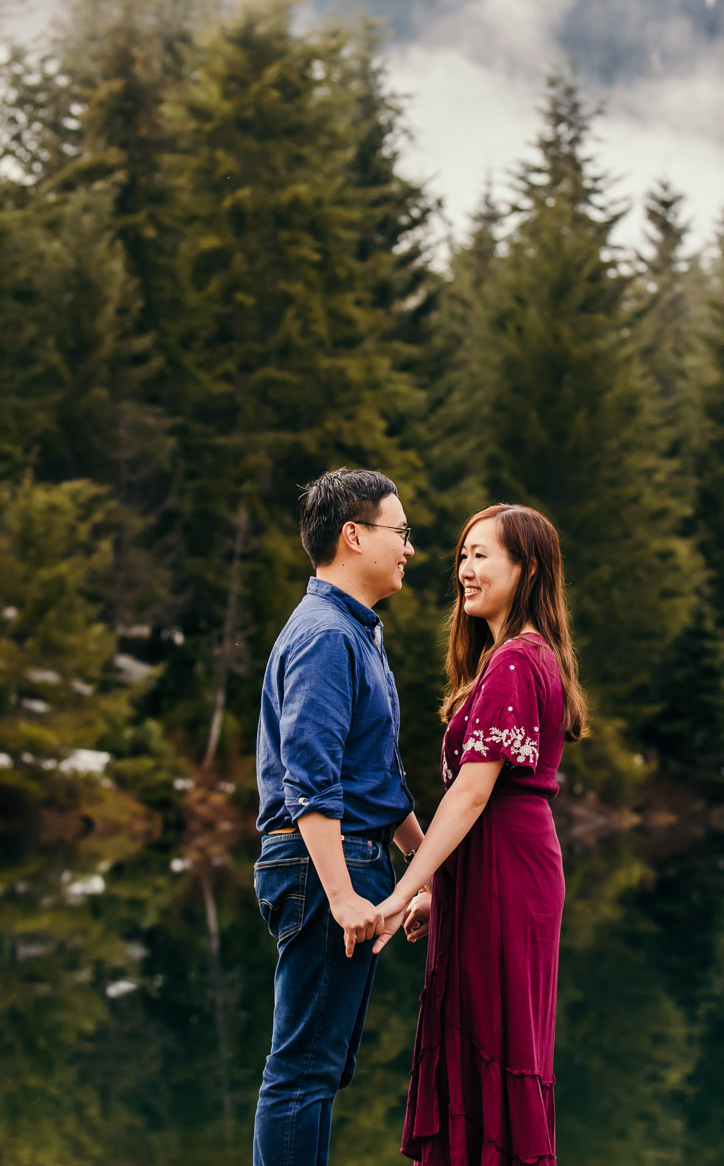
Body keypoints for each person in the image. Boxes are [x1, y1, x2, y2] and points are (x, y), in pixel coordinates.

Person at [372, 503, 584, 1166]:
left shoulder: (520, 659)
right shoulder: (507, 657)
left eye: (481, 555)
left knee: (499, 1039)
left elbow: (472, 791)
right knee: (481, 1037)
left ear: (527, 570)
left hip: (509, 871)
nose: (464, 569)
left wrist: (403, 888)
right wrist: (446, 891)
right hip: (493, 869)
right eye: (462, 554)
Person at [252, 467, 427, 1166]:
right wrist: (344, 892)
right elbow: (311, 779)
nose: (410, 548)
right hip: (323, 862)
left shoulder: (355, 631)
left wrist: (422, 867)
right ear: (354, 536)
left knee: (321, 1071)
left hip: (348, 856)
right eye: (401, 532)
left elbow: (377, 780)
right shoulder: (326, 634)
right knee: (300, 1071)